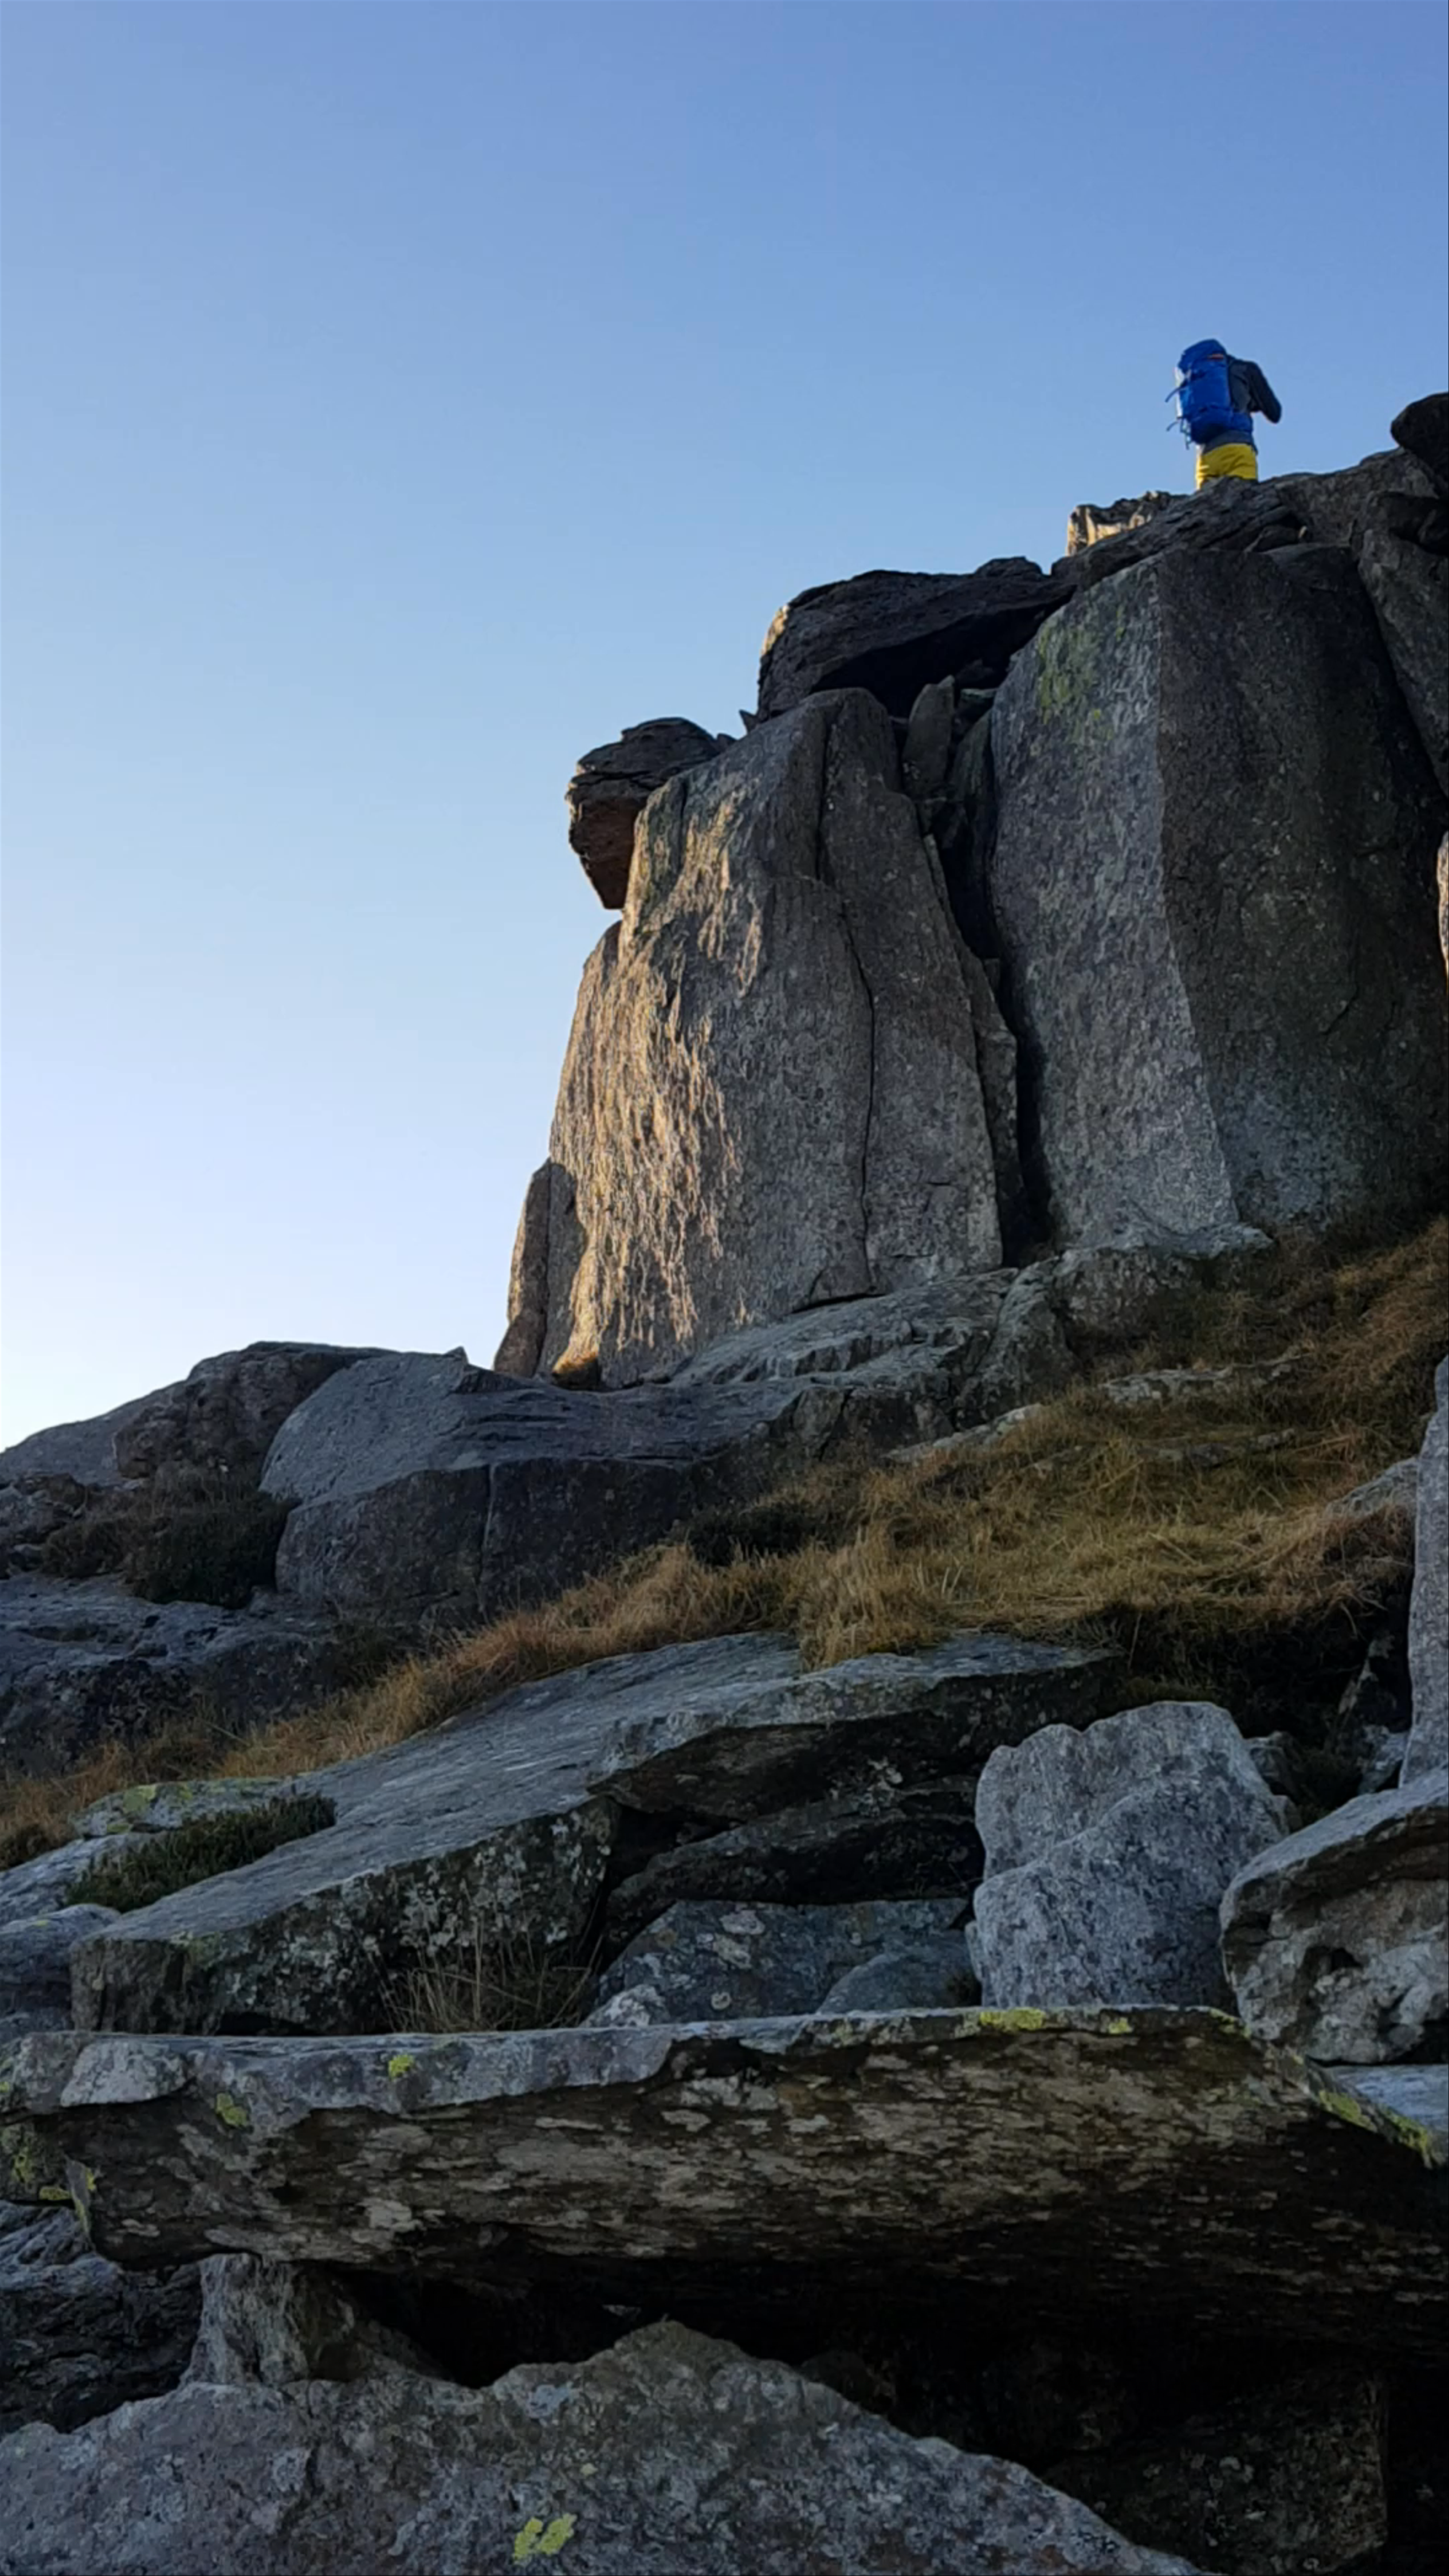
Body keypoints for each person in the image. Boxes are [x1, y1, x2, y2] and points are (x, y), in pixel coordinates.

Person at [1174, 340, 1282, 487]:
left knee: (1208, 501)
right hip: (1237, 450)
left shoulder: (1196, 376)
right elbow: (1274, 414)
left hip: (1205, 458)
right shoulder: (1244, 369)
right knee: (1244, 499)